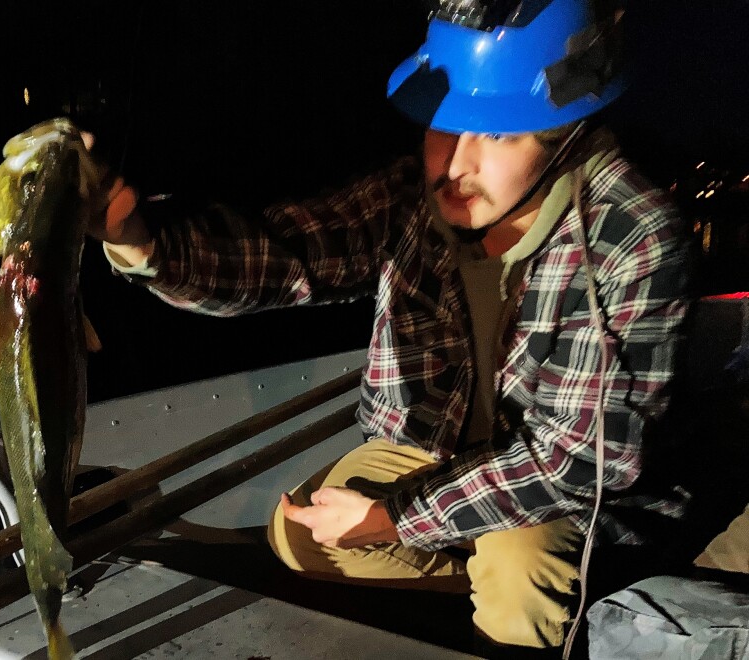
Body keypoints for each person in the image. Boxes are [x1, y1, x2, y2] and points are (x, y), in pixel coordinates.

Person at [89, 0, 690, 656]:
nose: (456, 163)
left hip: (555, 485)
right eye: (445, 122)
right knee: (298, 535)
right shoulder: (412, 198)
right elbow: (279, 255)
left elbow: (574, 461)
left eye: (496, 134)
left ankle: (545, 600)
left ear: (566, 133)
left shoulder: (634, 235)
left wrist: (391, 520)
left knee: (518, 576)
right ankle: (472, 570)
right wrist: (138, 240)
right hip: (435, 451)